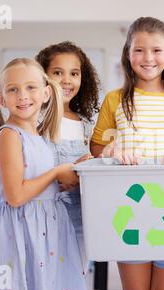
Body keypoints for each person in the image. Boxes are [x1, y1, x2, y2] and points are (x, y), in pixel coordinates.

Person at [90, 17, 164, 290]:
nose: (148, 58)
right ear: (128, 54)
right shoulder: (115, 99)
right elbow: (96, 147)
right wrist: (111, 150)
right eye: (139, 50)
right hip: (129, 207)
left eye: (156, 50)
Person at [0, 58, 87, 290]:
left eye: (31, 87)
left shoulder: (39, 137)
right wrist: (56, 172)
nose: (22, 96)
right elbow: (16, 196)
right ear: (1, 98)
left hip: (46, 230)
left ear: (46, 93)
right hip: (21, 232)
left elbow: (42, 185)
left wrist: (73, 170)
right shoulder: (9, 136)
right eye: (13, 89)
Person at [36, 41, 100, 270]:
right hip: (45, 216)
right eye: (57, 73)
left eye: (74, 73)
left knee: (75, 278)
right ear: (42, 76)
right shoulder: (35, 119)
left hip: (80, 216)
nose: (66, 80)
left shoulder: (85, 124)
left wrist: (88, 166)